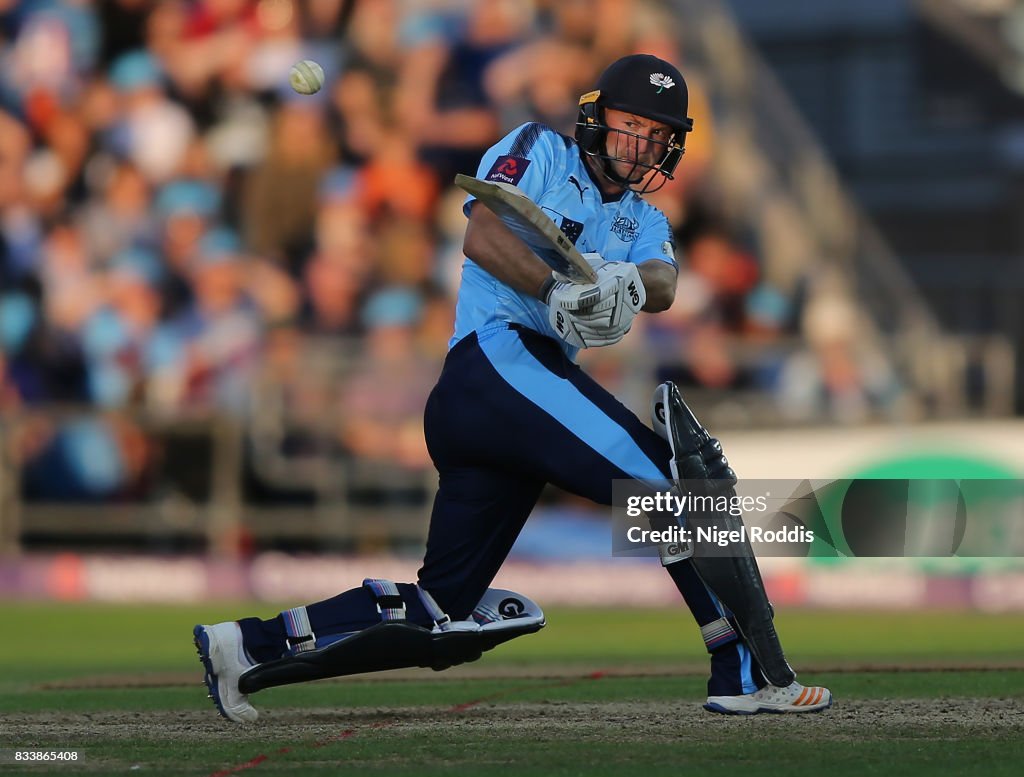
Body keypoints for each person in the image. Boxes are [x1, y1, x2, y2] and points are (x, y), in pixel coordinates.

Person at [193, 54, 832, 722]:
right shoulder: (541, 149)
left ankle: (243, 645)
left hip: (507, 403)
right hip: (497, 362)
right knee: (667, 489)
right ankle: (742, 666)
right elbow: (484, 232)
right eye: (630, 123)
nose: (640, 143)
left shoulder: (644, 219)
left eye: (655, 133)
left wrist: (632, 285)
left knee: (439, 612)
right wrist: (556, 288)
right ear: (597, 115)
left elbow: (665, 282)